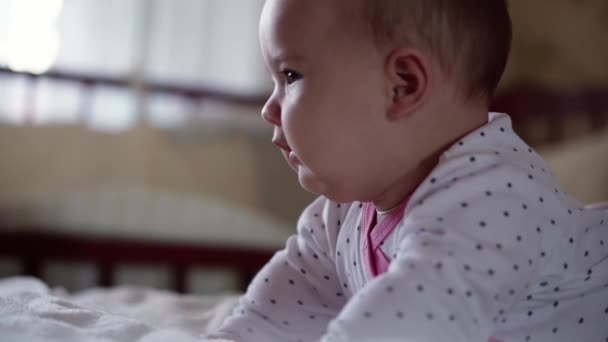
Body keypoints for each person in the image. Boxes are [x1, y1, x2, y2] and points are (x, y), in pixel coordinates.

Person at [207, 0, 608, 341]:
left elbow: (407, 322)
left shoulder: (496, 199)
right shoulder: (341, 218)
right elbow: (274, 319)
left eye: (290, 76)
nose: (268, 108)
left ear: (402, 86)